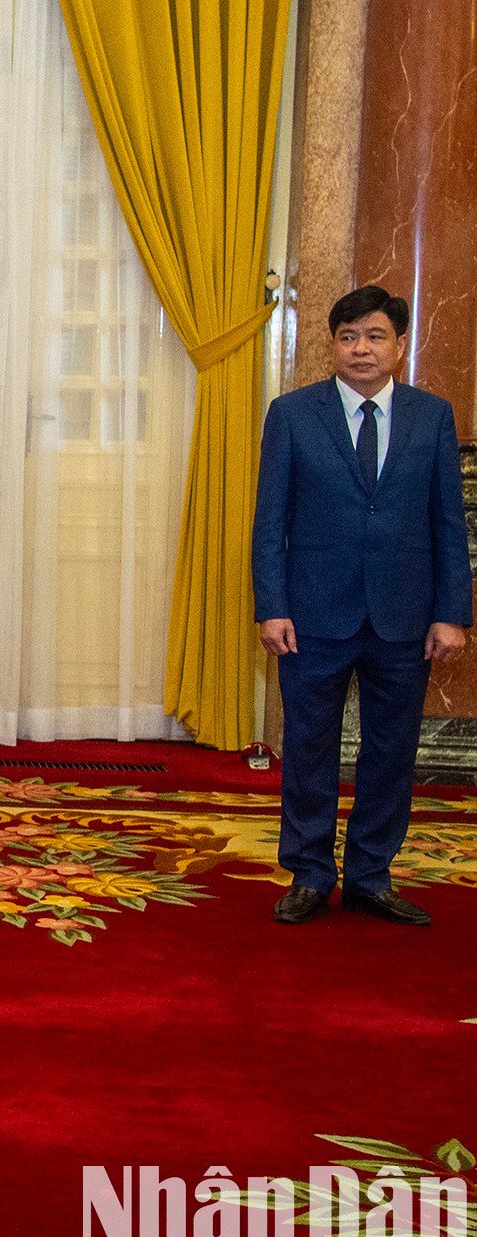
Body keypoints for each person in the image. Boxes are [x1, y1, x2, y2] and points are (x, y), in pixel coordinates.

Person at [252, 284, 470, 928]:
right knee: (311, 747)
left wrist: (452, 611)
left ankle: (372, 874)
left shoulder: (432, 416)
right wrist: (273, 605)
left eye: (375, 337)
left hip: (405, 617)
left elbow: (448, 524)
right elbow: (271, 523)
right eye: (348, 337)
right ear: (332, 346)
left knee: (391, 751)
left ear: (400, 346)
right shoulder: (292, 415)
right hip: (312, 615)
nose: (361, 349)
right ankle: (311, 874)